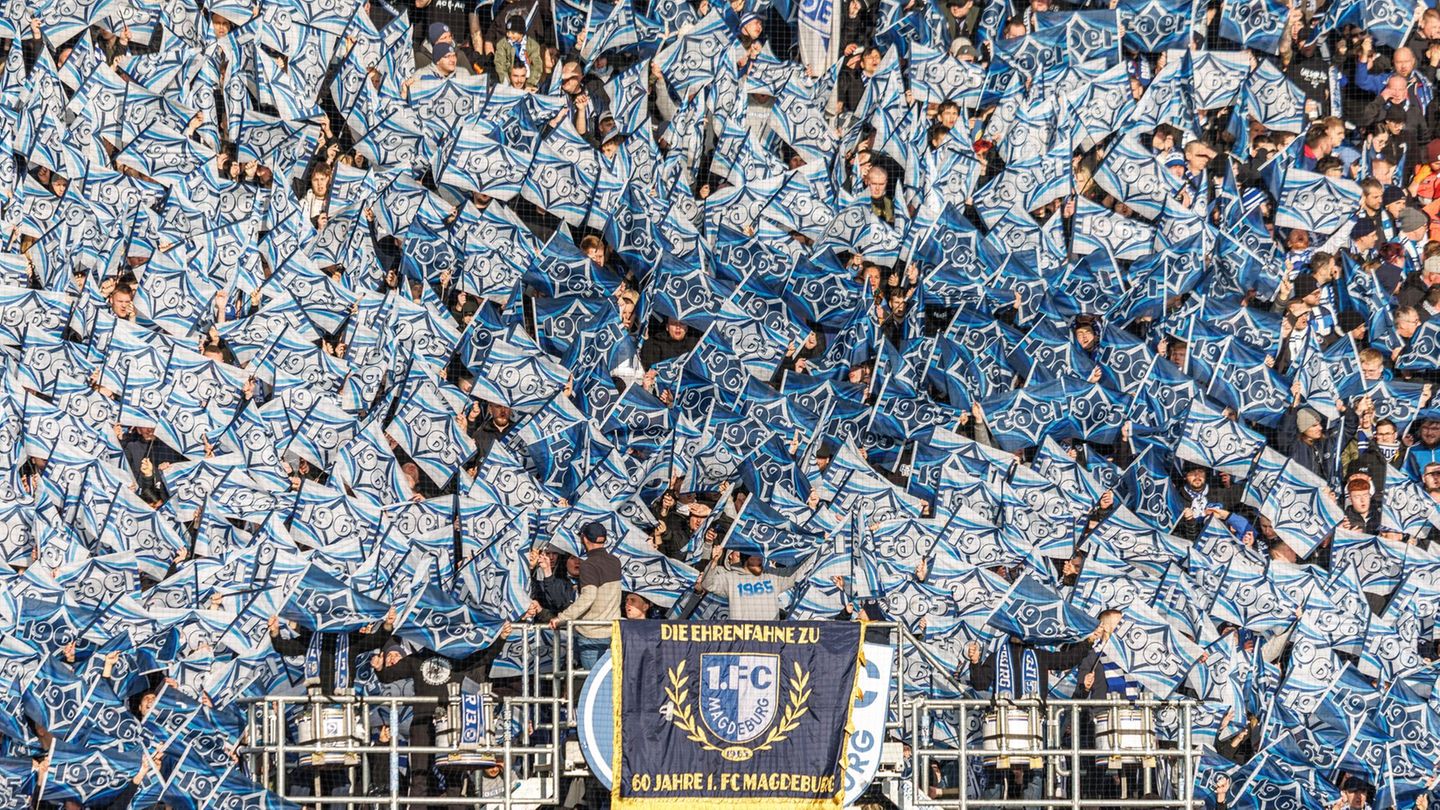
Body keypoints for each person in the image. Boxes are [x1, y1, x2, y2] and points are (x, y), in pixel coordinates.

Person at [549, 522, 622, 669]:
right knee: (607, 682)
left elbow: (588, 597)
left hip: (591, 632)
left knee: (591, 681)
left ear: (584, 538)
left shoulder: (588, 565)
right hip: (612, 630)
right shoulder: (615, 561)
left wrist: (562, 618)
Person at [696, 545, 803, 621]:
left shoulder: (772, 576)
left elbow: (797, 573)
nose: (759, 557)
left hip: (770, 642)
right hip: (742, 642)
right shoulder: (730, 578)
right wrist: (714, 560)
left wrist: (818, 549)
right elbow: (707, 584)